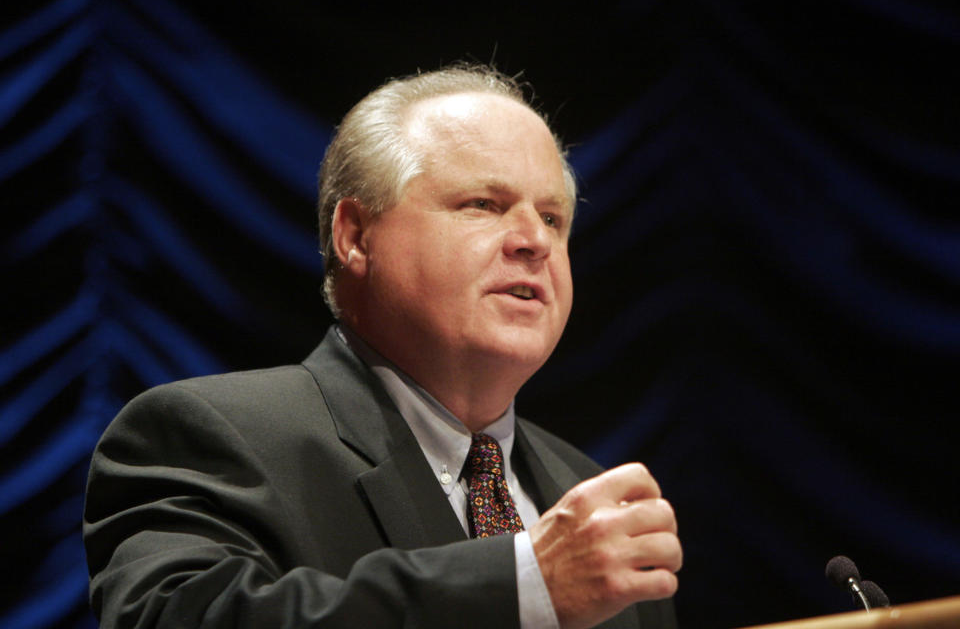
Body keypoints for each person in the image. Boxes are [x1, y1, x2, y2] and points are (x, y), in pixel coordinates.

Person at [83, 64, 682, 629]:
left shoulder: (590, 496)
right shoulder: (209, 438)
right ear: (355, 236)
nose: (533, 240)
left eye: (552, 218)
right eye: (483, 205)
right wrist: (522, 585)